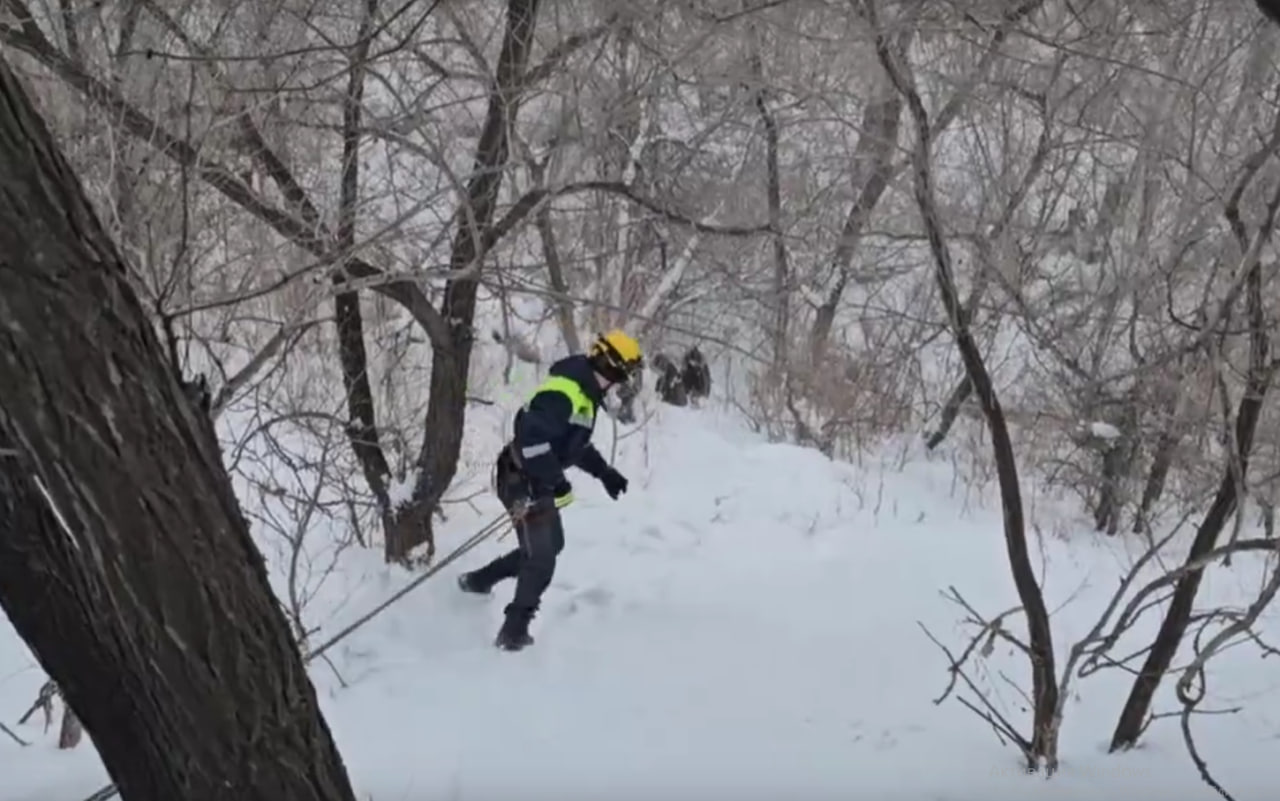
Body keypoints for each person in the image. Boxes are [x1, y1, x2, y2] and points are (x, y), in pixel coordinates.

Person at [457, 329, 644, 651]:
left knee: (550, 545)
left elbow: (573, 445)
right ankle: (513, 632)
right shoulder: (563, 393)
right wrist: (557, 481)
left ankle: (478, 581)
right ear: (609, 366)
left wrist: (604, 473)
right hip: (519, 476)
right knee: (541, 557)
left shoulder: (584, 394)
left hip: (536, 477)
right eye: (622, 375)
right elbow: (531, 442)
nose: (621, 384)